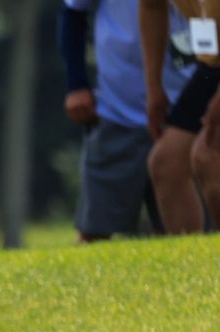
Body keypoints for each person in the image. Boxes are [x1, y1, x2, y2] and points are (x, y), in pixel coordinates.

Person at [59, 0, 192, 240]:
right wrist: (76, 84)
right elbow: (73, 12)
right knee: (94, 231)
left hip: (185, 108)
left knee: (188, 234)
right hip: (118, 108)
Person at [141, 0, 220, 232]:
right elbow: (151, 7)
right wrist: (154, 89)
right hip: (215, 65)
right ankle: (191, 262)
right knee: (166, 162)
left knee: (209, 157)